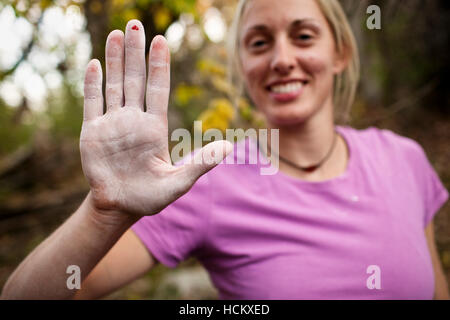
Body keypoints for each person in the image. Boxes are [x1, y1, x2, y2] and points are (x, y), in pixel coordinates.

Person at [2, 0, 449, 300]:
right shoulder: (207, 179)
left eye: (304, 36)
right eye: (259, 42)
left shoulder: (403, 159)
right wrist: (103, 212)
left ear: (340, 53)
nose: (281, 58)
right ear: (243, 68)